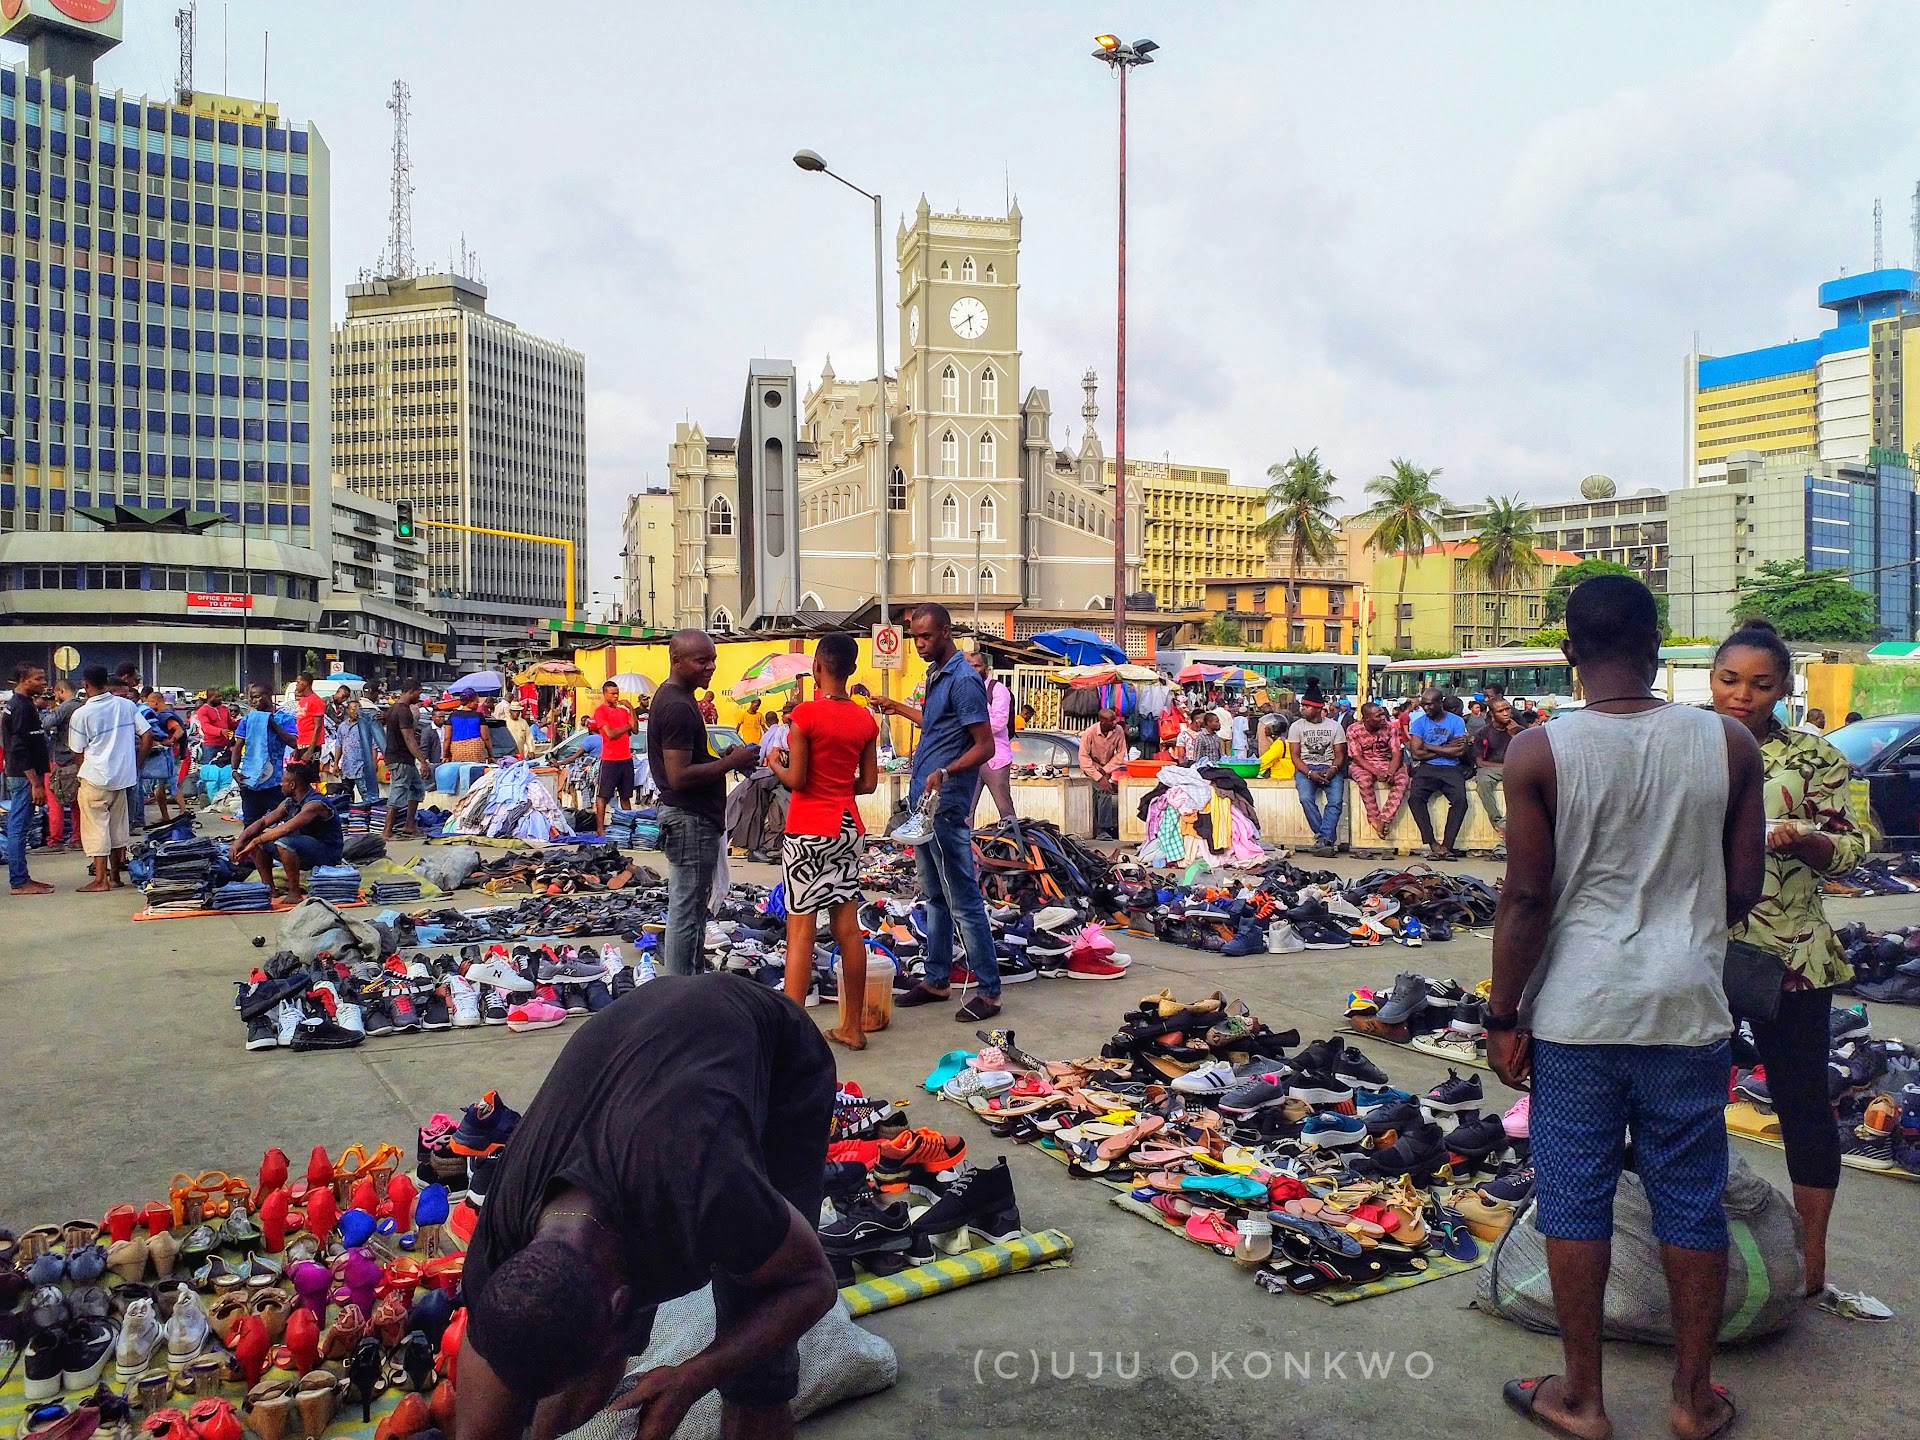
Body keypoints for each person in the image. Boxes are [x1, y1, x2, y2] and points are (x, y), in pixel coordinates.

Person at [1487, 574, 1764, 1440]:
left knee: (1576, 1200)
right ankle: (1692, 1399)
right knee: (1690, 1200)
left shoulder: (1538, 751)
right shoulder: (1728, 744)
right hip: (1687, 1011)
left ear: (1569, 652)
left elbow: (1526, 898)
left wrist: (1502, 1014)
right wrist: (1678, 934)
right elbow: (1743, 888)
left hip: (1578, 1015)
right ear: (1657, 643)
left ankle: (1583, 1399)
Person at [455, 974, 838, 1440]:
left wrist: (693, 1376)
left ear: (623, 1303)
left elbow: (812, 1284)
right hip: (643, 1032)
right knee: (559, 1353)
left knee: (756, 1361)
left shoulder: (707, 1188)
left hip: (773, 1052)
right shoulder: (506, 1227)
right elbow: (488, 1372)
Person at [1710, 619, 1884, 1320]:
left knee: (1802, 1101)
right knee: (1685, 1098)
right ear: (1712, 679)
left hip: (1791, 956)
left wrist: (1807, 842)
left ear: (1784, 688)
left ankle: (1811, 1254)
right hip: (1694, 953)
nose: (1742, 695)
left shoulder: (1815, 758)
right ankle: (1693, 1239)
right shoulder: (1683, 744)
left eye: (1760, 684)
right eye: (1730, 680)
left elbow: (1859, 845)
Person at [874, 603, 1002, 1023]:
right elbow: (935, 726)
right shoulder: (936, 674)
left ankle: (989, 992)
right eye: (915, 637)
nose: (920, 644)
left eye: (926, 636)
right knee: (934, 897)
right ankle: (936, 980)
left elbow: (985, 745)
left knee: (962, 899)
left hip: (945, 804)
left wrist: (946, 772)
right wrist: (896, 706)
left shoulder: (963, 679)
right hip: (924, 804)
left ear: (946, 632)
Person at [766, 633, 879, 1049]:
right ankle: (853, 1027)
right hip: (847, 827)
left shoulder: (805, 715)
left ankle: (792, 1040)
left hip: (808, 828)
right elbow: (868, 783)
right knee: (848, 928)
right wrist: (838, 783)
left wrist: (776, 763)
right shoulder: (865, 721)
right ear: (852, 670)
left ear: (816, 667)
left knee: (801, 931)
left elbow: (797, 780)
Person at [651, 632, 758, 977]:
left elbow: (690, 762)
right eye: (701, 660)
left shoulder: (679, 699)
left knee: (693, 911)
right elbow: (679, 775)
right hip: (689, 820)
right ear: (676, 660)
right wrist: (730, 762)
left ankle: (689, 984)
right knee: (686, 913)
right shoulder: (678, 706)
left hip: (691, 818)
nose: (710, 667)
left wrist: (724, 758)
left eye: (713, 659)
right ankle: (681, 992)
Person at [67, 664, 151, 892]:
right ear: (107, 682)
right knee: (117, 829)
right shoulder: (126, 705)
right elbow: (147, 734)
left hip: (95, 779)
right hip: (122, 779)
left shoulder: (81, 714)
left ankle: (100, 880)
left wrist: (83, 771)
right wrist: (136, 765)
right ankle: (115, 876)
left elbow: (77, 750)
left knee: (96, 829)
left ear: (86, 685)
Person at [229, 760, 345, 901]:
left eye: (283, 781)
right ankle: (269, 890)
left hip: (327, 854)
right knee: (260, 843)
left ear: (292, 785)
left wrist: (255, 841)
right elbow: (263, 822)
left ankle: (294, 893)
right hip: (303, 847)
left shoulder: (314, 804)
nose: (280, 785)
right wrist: (240, 840)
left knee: (283, 843)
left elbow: (286, 828)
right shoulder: (290, 802)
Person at [3, 663, 53, 895]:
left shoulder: (20, 704)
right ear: (24, 680)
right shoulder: (21, 708)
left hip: (22, 773)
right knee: (18, 827)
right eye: (38, 679)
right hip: (24, 776)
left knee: (20, 826)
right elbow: (19, 748)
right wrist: (35, 783)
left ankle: (22, 878)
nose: (43, 683)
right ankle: (19, 881)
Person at [1406, 687, 1469, 860]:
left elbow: (1459, 752)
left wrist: (1428, 746)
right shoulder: (1419, 723)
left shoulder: (1456, 721)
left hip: (1451, 768)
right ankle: (1432, 844)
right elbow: (1416, 754)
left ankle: (1447, 846)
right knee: (1415, 798)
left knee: (1461, 801)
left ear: (1440, 703)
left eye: (1430, 705)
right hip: (1428, 768)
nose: (1426, 708)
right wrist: (1445, 748)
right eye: (1423, 705)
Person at [1287, 681, 1346, 857]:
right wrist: (1309, 773)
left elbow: (1340, 754)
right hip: (1306, 768)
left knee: (1335, 801)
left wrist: (1333, 769)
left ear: (1318, 708)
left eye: (1307, 706)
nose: (1303, 709)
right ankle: (1325, 838)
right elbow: (1295, 756)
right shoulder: (1296, 726)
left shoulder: (1335, 726)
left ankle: (1323, 839)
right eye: (1303, 706)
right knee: (1305, 798)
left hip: (1330, 768)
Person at [233, 682, 299, 830]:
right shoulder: (248, 719)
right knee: (250, 825)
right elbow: (238, 746)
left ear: (269, 696)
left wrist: (271, 723)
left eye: (257, 697)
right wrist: (234, 770)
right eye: (252, 698)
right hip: (251, 781)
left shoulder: (284, 718)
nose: (253, 701)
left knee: (286, 821)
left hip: (274, 783)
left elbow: (293, 742)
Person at [967, 650, 1018, 824]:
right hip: (971, 759)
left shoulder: (997, 689)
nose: (974, 670)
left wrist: (972, 727)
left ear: (986, 668)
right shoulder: (964, 690)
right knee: (965, 810)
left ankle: (1014, 839)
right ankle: (965, 842)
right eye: (970, 666)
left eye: (977, 666)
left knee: (1005, 810)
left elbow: (999, 722)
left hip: (996, 759)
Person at [1345, 701, 1408, 839]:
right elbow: (1357, 757)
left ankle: (1384, 819)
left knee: (1402, 780)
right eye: (1378, 716)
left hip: (1387, 762)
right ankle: (1373, 818)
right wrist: (1376, 772)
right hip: (1363, 764)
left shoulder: (1391, 727)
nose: (1383, 718)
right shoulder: (1353, 729)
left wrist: (1391, 771)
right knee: (1365, 781)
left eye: (1383, 714)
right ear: (1367, 718)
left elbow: (1396, 752)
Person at [587, 680, 640, 834]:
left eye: (617, 693)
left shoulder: (623, 712)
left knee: (625, 796)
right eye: (613, 694)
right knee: (603, 795)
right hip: (610, 759)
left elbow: (635, 729)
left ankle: (628, 827)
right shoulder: (600, 711)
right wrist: (628, 726)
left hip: (626, 758)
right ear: (605, 694)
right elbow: (610, 734)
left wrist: (631, 708)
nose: (616, 696)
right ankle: (600, 829)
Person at [1472, 696, 1523, 852]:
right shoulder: (1483, 733)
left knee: (1525, 785)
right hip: (1491, 768)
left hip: (1515, 768)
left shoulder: (1520, 730)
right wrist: (1504, 766)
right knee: (1483, 782)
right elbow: (1480, 762)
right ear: (1493, 714)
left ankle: (1504, 824)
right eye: (1501, 711)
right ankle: (1497, 822)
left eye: (1507, 709)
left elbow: (1527, 757)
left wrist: (1515, 735)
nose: (1506, 713)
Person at [322, 697, 385, 821]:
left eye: (358, 709)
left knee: (367, 795)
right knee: (346, 797)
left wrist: (373, 763)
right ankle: (350, 821)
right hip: (347, 767)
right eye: (353, 709)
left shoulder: (365, 725)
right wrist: (336, 764)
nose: (356, 712)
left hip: (362, 767)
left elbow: (373, 746)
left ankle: (370, 820)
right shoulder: (343, 726)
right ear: (348, 710)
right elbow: (339, 745)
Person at [383, 679, 432, 839]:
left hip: (402, 758)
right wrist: (423, 761)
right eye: (418, 693)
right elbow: (409, 738)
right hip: (400, 758)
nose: (419, 697)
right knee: (398, 792)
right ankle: (387, 831)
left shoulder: (393, 709)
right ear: (411, 691)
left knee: (417, 789)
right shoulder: (403, 711)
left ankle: (409, 825)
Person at [1079, 707, 1128, 841]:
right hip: (1091, 767)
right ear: (1102, 721)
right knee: (1104, 790)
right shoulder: (1089, 733)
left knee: (1099, 795)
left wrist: (1105, 770)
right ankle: (1103, 829)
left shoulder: (1118, 730)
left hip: (1106, 767)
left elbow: (1121, 754)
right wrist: (1099, 776)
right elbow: (1083, 758)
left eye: (1114, 720)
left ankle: (1099, 828)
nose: (1115, 723)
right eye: (1111, 721)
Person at [138, 689, 187, 823]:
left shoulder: (165, 716)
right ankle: (167, 815)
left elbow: (179, 730)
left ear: (155, 702)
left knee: (170, 784)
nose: (148, 706)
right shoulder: (163, 714)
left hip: (169, 755)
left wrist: (170, 741)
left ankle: (183, 811)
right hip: (167, 755)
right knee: (161, 786)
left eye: (149, 702)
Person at [45, 678, 83, 852]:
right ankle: (78, 837)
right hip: (78, 759)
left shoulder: (66, 707)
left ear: (61, 691)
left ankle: (55, 840)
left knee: (55, 800)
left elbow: (46, 723)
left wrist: (50, 709)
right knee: (77, 802)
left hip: (60, 761)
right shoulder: (83, 706)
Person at [444, 689, 489, 764]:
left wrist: (445, 755)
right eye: (476, 701)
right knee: (476, 769)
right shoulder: (479, 716)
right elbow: (486, 738)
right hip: (475, 748)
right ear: (470, 702)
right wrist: (490, 755)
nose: (478, 704)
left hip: (457, 749)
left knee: (459, 768)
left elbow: (447, 738)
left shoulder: (453, 716)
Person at [290, 671, 327, 760]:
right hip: (301, 744)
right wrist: (296, 747)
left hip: (311, 745)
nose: (296, 685)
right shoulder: (302, 700)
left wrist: (310, 750)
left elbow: (318, 726)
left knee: (310, 769)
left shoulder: (316, 701)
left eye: (298, 682)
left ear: (305, 683)